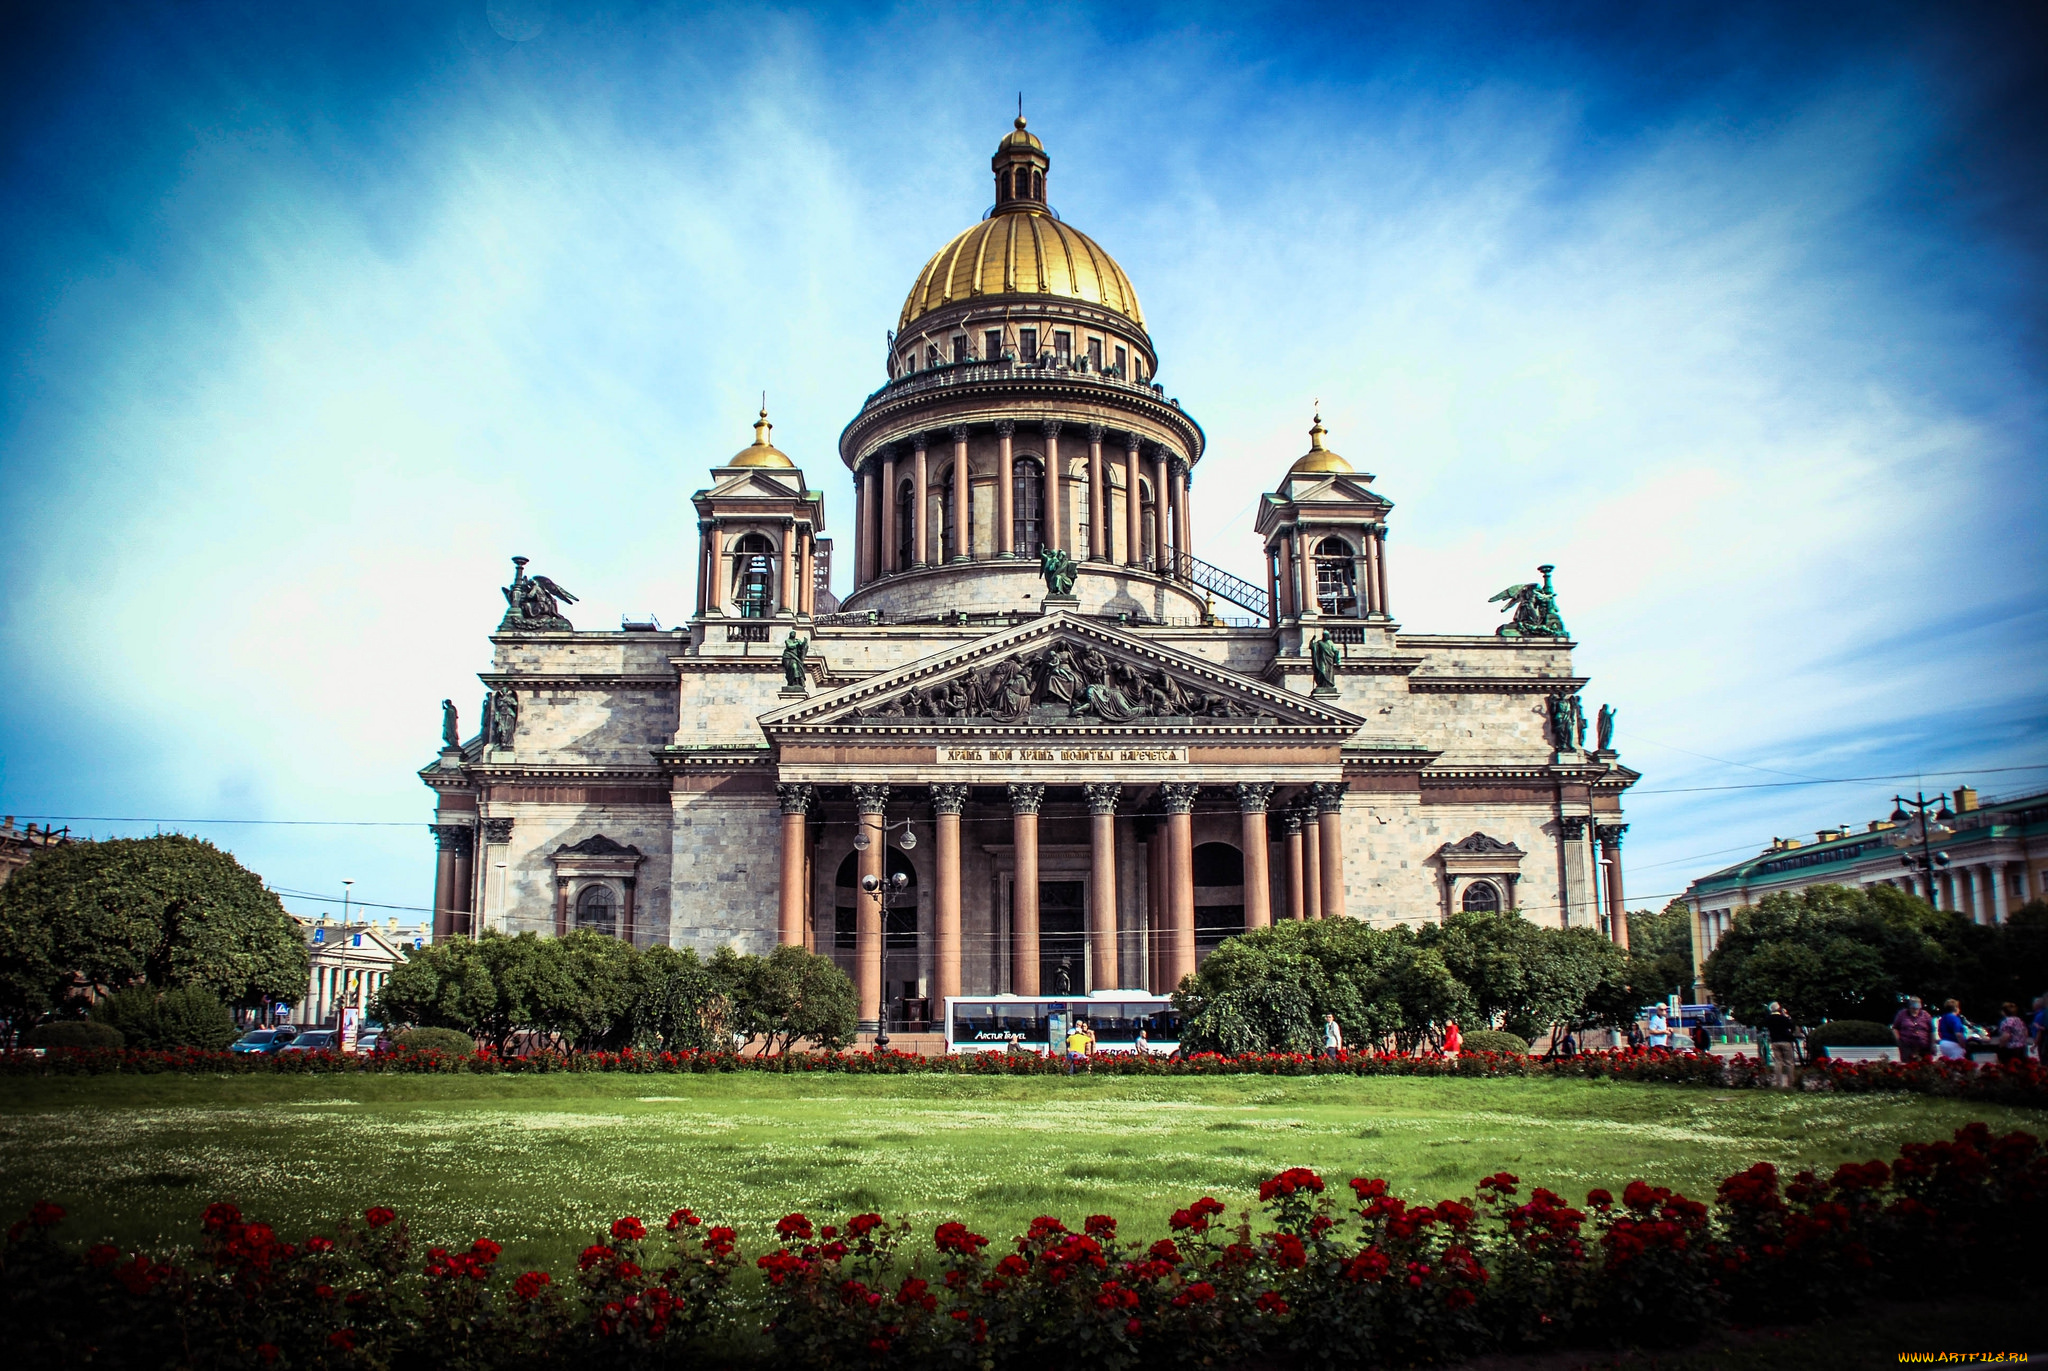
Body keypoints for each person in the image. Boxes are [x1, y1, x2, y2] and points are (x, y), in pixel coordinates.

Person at [1759, 1001, 1801, 1087]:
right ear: (1779, 1009)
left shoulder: (1768, 1019)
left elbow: (1763, 1027)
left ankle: (1779, 1083)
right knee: (1789, 1062)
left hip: (1775, 1041)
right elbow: (1792, 1027)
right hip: (1785, 1041)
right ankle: (1791, 1083)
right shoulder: (1783, 1018)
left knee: (1778, 1062)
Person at [1891, 997, 1935, 1062]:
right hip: (1907, 1046)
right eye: (1913, 1008)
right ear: (1909, 1006)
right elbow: (1895, 1028)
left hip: (1923, 1047)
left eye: (1917, 1008)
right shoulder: (1902, 1014)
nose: (1915, 1010)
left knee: (1925, 1067)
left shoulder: (1925, 1015)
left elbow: (1932, 1030)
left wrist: (1932, 1044)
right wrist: (1898, 1041)